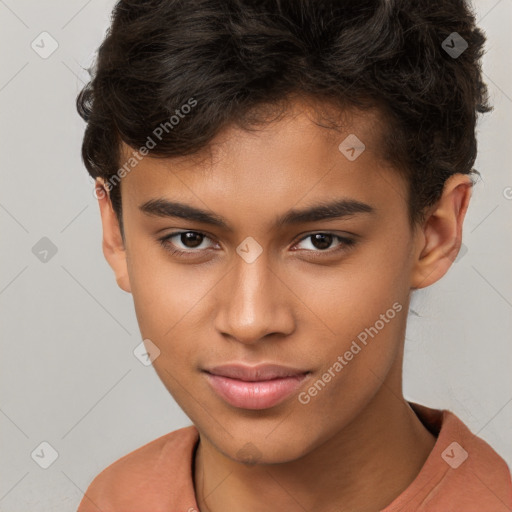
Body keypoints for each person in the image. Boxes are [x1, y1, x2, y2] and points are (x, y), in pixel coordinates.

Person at [75, 0, 512, 510]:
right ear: (117, 234)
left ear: (435, 234)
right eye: (190, 239)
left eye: (320, 241)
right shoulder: (116, 499)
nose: (250, 320)